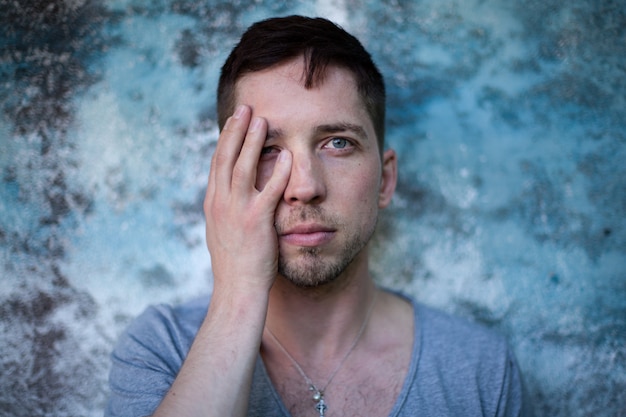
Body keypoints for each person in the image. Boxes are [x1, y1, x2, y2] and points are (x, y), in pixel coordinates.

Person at [106, 15, 524, 417]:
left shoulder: (479, 370)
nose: (304, 187)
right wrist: (239, 291)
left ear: (386, 180)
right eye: (267, 149)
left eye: (337, 143)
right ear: (224, 179)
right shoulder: (162, 349)